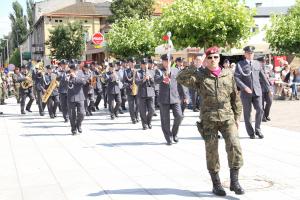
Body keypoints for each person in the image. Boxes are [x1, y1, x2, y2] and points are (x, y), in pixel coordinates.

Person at [177, 46, 244, 196]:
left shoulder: (228, 74)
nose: (213, 60)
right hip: (209, 119)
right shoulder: (200, 75)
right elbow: (180, 78)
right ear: (206, 60)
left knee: (235, 146)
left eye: (215, 57)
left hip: (227, 117)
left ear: (219, 58)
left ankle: (234, 181)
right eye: (210, 58)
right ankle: (216, 184)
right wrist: (194, 66)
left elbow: (235, 97)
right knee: (212, 151)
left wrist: (238, 117)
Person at [234, 46, 271, 139]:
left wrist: (269, 89)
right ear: (245, 54)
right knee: (247, 113)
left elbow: (263, 77)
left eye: (252, 53)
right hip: (246, 93)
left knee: (260, 110)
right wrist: (244, 87)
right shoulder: (240, 64)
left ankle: (258, 130)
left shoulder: (257, 63)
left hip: (257, 91)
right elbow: (237, 78)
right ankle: (251, 133)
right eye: (249, 53)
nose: (250, 55)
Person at [154, 54, 184, 145]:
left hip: (175, 97)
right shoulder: (159, 71)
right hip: (164, 98)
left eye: (169, 61)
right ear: (162, 61)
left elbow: (180, 84)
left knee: (179, 116)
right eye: (165, 61)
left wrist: (185, 96)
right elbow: (156, 80)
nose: (167, 63)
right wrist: (163, 76)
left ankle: (174, 133)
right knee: (165, 119)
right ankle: (168, 137)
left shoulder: (176, 70)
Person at [136, 58, 155, 130]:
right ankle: (144, 124)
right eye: (143, 64)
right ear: (141, 65)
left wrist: (150, 78)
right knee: (142, 110)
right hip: (142, 93)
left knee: (152, 109)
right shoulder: (138, 72)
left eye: (146, 64)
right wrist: (143, 79)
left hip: (150, 92)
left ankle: (148, 121)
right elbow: (137, 82)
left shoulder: (151, 72)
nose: (145, 65)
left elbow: (154, 82)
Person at [67, 62, 86, 135]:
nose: (75, 71)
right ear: (71, 69)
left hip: (80, 96)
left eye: (76, 69)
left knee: (82, 113)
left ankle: (79, 124)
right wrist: (69, 78)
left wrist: (75, 77)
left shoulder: (80, 73)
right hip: (71, 97)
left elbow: (83, 82)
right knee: (72, 114)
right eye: (73, 69)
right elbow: (65, 84)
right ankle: (73, 128)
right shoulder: (67, 75)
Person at [257, 56, 273, 122]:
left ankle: (266, 115)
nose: (264, 62)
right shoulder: (256, 69)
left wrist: (269, 79)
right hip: (259, 88)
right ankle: (262, 117)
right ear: (259, 62)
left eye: (265, 61)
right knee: (261, 104)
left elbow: (271, 76)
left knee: (269, 101)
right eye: (263, 61)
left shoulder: (267, 68)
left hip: (267, 88)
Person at [124, 58, 140, 124]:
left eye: (134, 62)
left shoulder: (138, 70)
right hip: (129, 90)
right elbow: (124, 81)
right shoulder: (126, 71)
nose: (133, 64)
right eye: (131, 62)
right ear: (129, 63)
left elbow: (140, 80)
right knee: (131, 105)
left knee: (138, 104)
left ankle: (137, 116)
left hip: (137, 89)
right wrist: (129, 85)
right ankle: (133, 118)